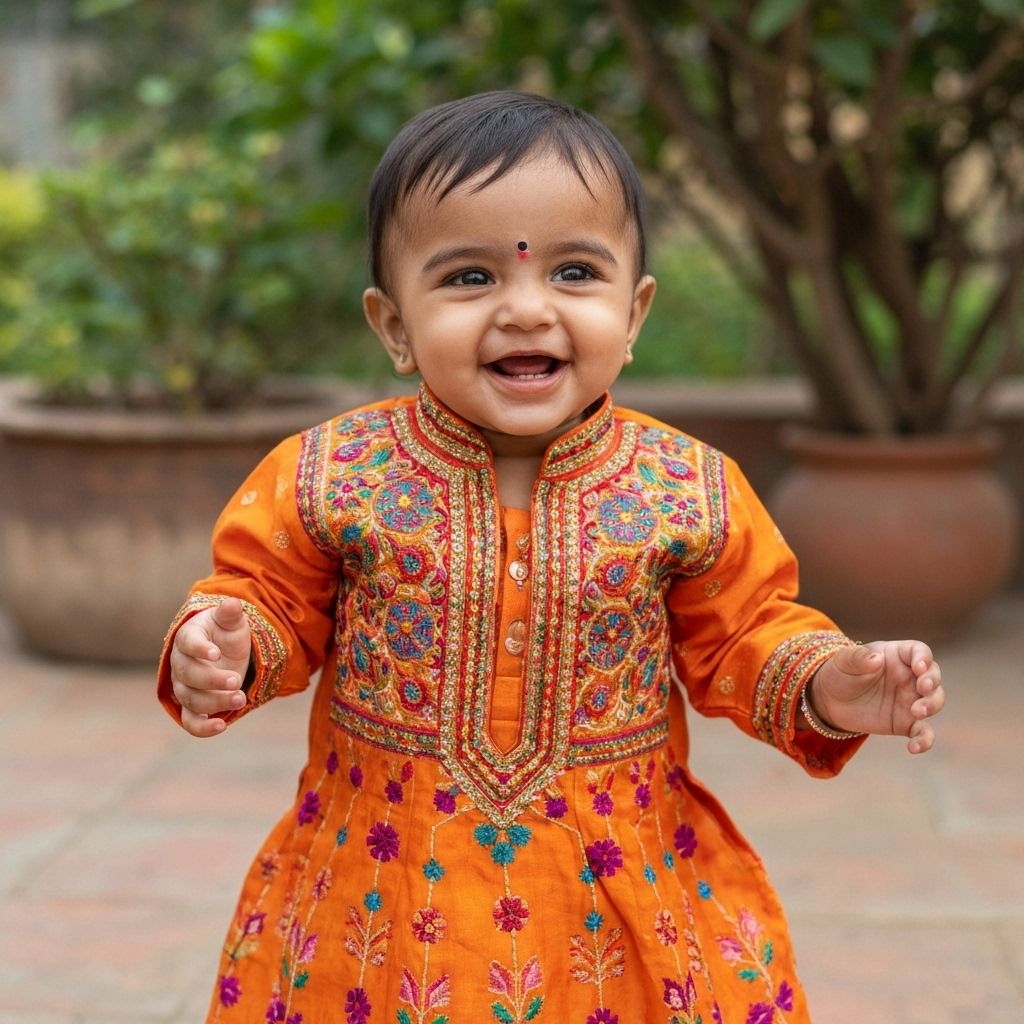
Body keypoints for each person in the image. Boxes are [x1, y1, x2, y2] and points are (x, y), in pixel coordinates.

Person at [159, 91, 945, 1024]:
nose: (526, 310)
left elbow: (746, 634)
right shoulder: (331, 473)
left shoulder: (685, 487)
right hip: (382, 893)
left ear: (636, 310)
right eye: (467, 279)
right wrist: (225, 645)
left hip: (614, 897)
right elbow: (267, 597)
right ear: (394, 326)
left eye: (575, 271)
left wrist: (831, 685)